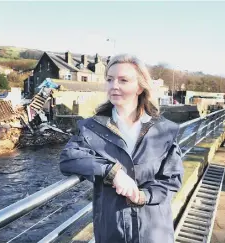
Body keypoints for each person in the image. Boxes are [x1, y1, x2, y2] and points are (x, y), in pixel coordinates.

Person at [59, 54, 184, 243]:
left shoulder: (164, 131)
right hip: (112, 230)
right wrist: (112, 172)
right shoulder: (91, 127)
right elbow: (69, 158)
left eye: (123, 80)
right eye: (109, 80)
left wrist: (143, 196)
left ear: (140, 87)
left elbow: (172, 180)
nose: (114, 86)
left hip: (153, 231)